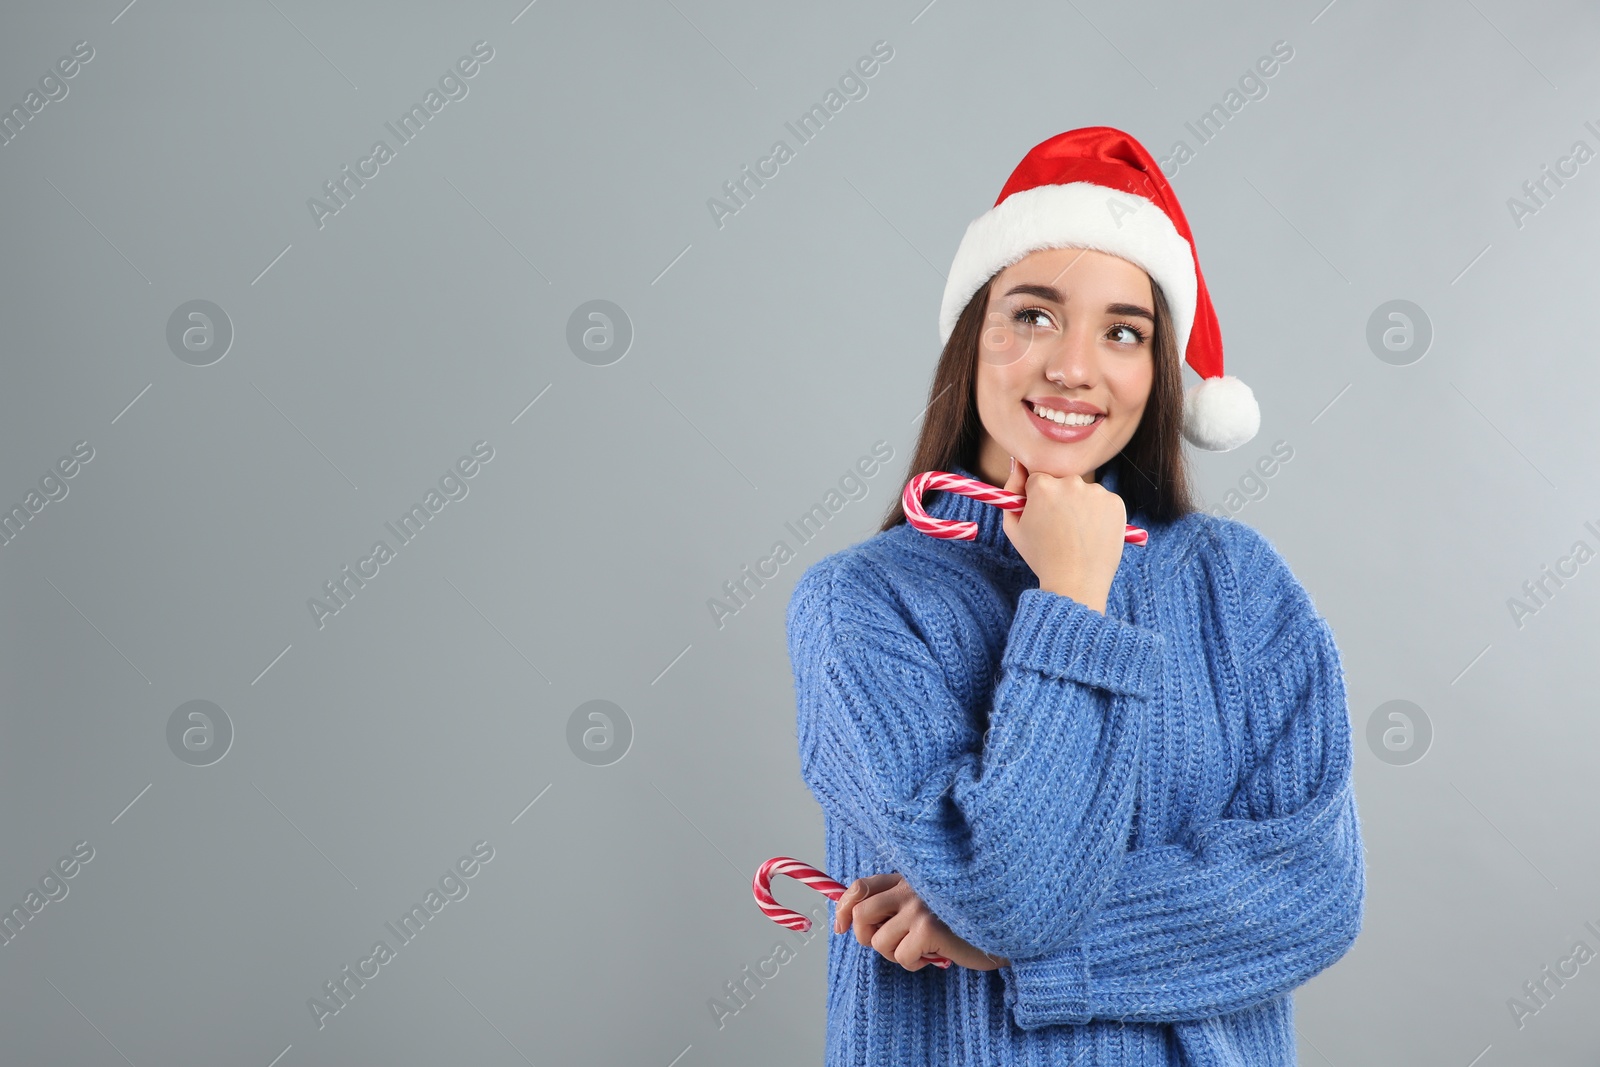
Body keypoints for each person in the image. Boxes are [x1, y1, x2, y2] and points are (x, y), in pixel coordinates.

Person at [785, 127, 1365, 1065]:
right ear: (974, 337)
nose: (1073, 367)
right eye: (1034, 315)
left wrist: (1018, 955)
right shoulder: (859, 607)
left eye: (1123, 331)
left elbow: (1313, 890)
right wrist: (1073, 595)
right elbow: (1015, 892)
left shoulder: (1239, 584)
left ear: (1157, 372)